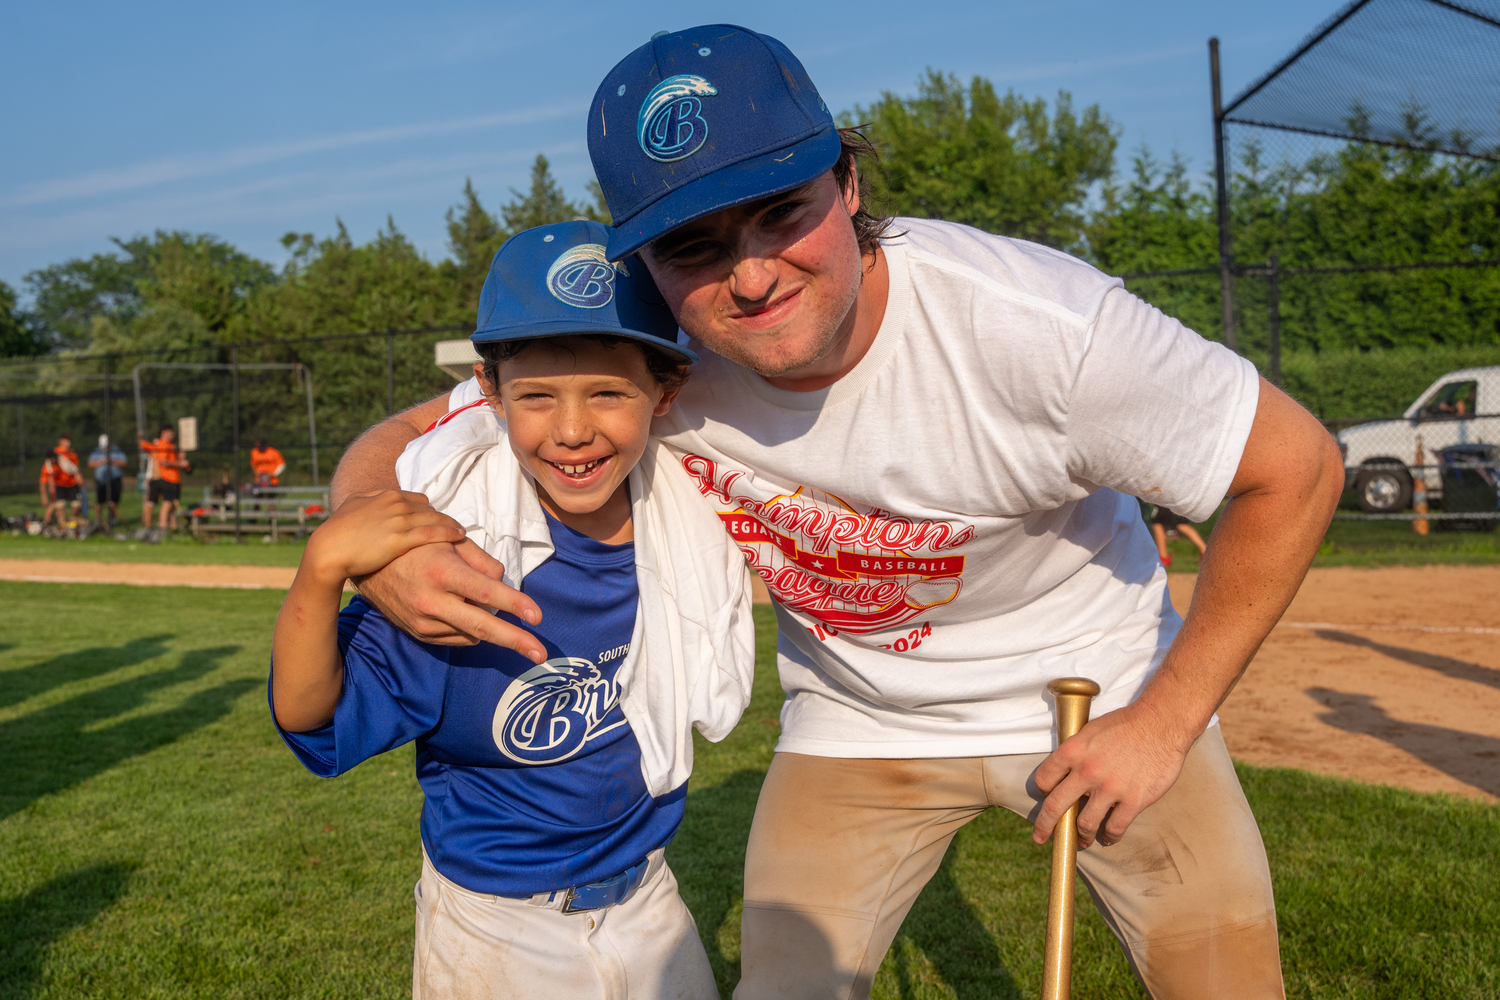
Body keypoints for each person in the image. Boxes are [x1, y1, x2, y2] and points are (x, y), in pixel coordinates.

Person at [328, 26, 1344, 999]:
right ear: (645, 266)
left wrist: (1165, 720)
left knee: (1226, 980)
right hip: (859, 721)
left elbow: (1294, 468)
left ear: (848, 185)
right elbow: (413, 433)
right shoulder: (654, 369)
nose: (754, 274)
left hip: (1103, 686)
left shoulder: (1041, 331)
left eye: (780, 212)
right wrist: (375, 539)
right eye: (693, 245)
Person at [270, 220, 753, 1000]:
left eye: (606, 392)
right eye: (537, 396)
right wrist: (321, 570)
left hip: (651, 903)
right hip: (494, 927)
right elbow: (308, 714)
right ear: (488, 396)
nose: (572, 429)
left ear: (665, 392)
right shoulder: (460, 556)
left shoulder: (689, 522)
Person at [139, 425, 188, 530]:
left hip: (168, 478)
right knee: (160, 503)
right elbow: (163, 462)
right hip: (161, 478)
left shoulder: (170, 446)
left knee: (170, 505)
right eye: (169, 432)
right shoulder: (161, 445)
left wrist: (182, 457)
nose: (172, 434)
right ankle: (159, 527)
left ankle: (172, 528)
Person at [88, 434, 127, 528]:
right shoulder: (96, 451)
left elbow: (124, 462)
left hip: (115, 479)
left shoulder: (116, 450)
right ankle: (98, 520)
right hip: (101, 480)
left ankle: (112, 519)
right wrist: (102, 461)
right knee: (100, 501)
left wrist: (112, 460)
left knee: (114, 500)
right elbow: (90, 463)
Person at [48, 434, 83, 532]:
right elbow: (50, 470)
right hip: (59, 484)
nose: (68, 443)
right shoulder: (55, 453)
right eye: (66, 440)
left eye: (69, 440)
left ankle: (72, 522)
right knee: (60, 507)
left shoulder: (72, 454)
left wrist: (80, 479)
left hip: (72, 484)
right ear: (60, 441)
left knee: (76, 505)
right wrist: (51, 485)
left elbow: (76, 469)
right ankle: (62, 529)